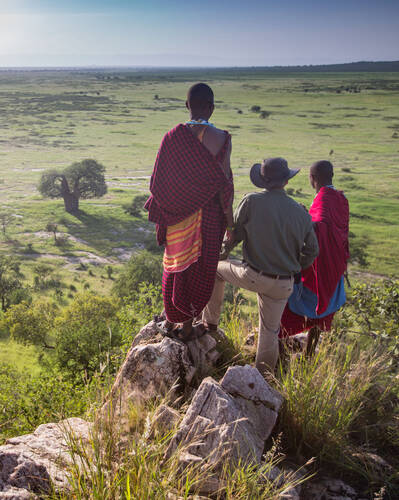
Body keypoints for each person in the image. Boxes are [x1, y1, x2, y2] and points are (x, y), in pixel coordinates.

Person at [202, 157, 319, 375]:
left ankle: (210, 325)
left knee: (216, 269)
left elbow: (234, 237)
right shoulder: (301, 212)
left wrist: (222, 253)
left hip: (254, 275)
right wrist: (294, 265)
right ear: (286, 181)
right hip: (283, 284)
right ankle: (261, 382)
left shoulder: (251, 201)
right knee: (269, 332)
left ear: (263, 181)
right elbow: (312, 250)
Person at [145, 83, 234, 340]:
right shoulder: (223, 139)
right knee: (200, 268)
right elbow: (224, 186)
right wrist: (230, 224)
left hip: (177, 218)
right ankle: (187, 325)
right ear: (212, 108)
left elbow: (157, 184)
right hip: (209, 217)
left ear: (186, 106)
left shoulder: (172, 137)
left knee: (176, 266)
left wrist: (172, 207)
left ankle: (174, 321)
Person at [280, 160, 350, 354]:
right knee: (324, 309)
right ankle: (309, 353)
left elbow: (318, 227)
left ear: (313, 179)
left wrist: (304, 216)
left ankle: (279, 354)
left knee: (287, 305)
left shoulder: (323, 199)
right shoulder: (341, 198)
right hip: (335, 266)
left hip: (320, 266)